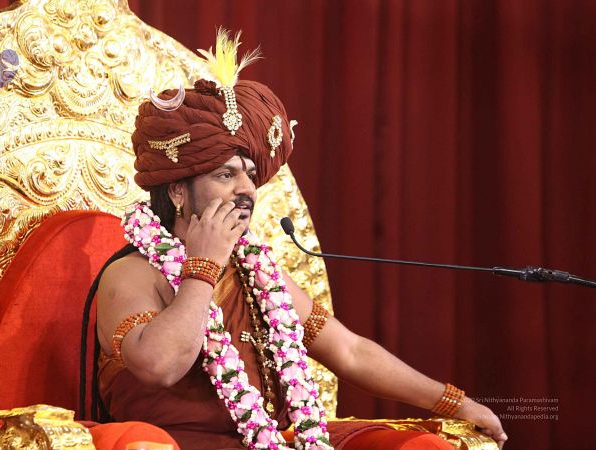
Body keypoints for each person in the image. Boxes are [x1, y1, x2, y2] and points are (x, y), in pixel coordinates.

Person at [91, 30, 507, 450]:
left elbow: (350, 352)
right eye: (225, 174)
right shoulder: (130, 275)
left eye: (250, 175)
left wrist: (455, 404)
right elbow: (160, 366)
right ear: (178, 192)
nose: (246, 190)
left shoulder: (257, 275)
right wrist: (203, 268)